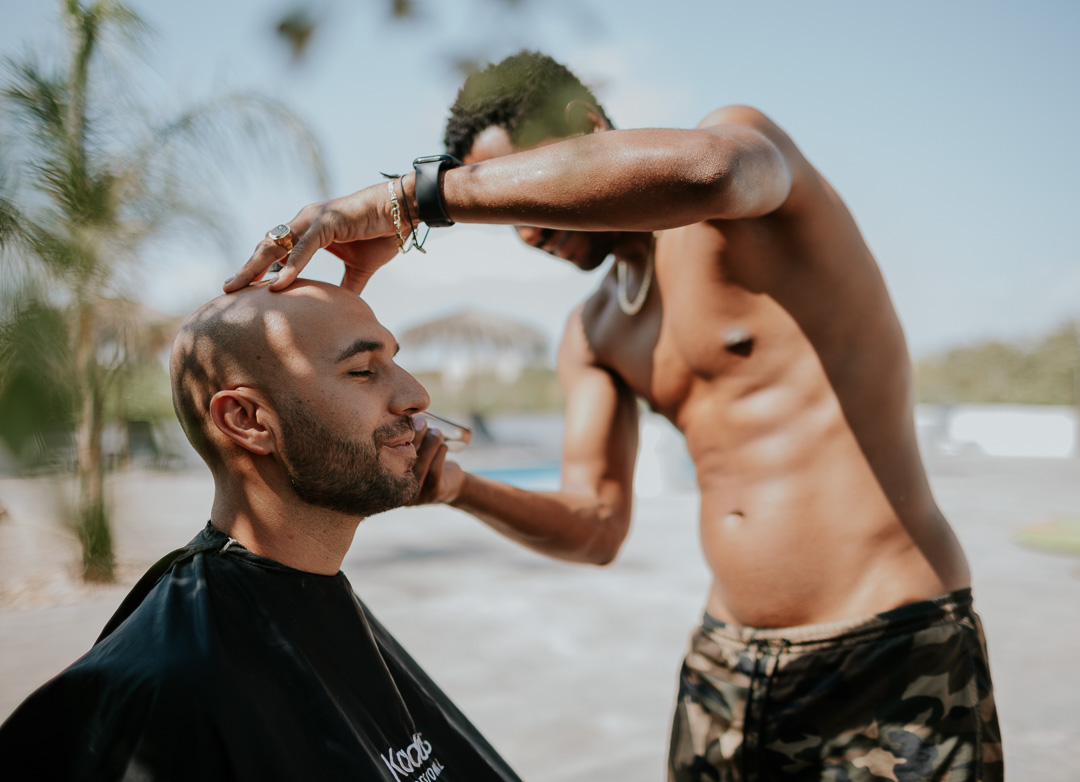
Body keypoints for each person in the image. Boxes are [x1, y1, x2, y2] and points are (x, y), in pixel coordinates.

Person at [227, 51, 1003, 781]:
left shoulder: (742, 184)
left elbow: (712, 170)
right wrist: (457, 487)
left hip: (891, 643)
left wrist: (413, 197)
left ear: (592, 133)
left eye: (522, 183)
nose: (522, 223)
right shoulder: (594, 330)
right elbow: (595, 526)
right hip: (725, 664)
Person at [0, 280, 523, 782]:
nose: (417, 393)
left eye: (395, 361)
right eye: (364, 370)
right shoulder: (173, 684)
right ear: (248, 420)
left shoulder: (305, 594)